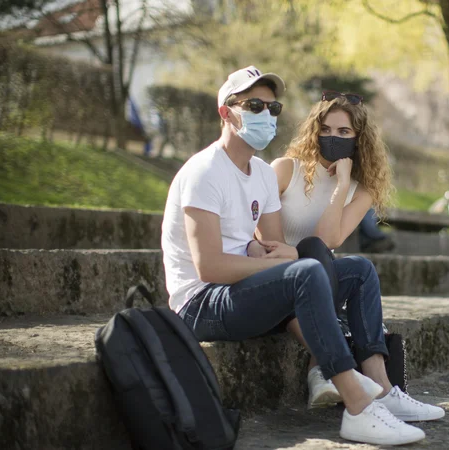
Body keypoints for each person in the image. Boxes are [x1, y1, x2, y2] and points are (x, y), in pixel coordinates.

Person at [161, 67, 427, 446]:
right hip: (201, 302)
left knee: (356, 269)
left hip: (242, 292)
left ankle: (374, 389)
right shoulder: (205, 171)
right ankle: (358, 406)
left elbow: (271, 246)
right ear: (226, 112)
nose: (266, 114)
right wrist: (281, 262)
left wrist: (275, 258)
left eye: (273, 107)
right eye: (254, 104)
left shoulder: (259, 175)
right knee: (304, 271)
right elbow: (210, 267)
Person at [266, 90, 444, 420]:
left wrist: (342, 183)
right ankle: (320, 367)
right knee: (314, 251)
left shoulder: (360, 189)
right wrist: (296, 251)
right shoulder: (284, 170)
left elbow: (332, 237)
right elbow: (281, 243)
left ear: (359, 138)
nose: (333, 137)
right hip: (277, 284)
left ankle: (385, 388)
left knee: (360, 267)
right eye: (326, 130)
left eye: (344, 132)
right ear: (314, 131)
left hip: (319, 290)